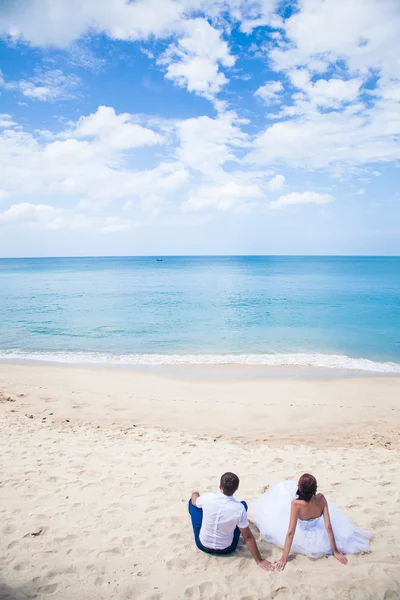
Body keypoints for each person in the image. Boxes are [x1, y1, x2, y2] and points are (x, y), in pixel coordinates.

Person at [251, 473, 373, 571]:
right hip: (318, 529)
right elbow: (328, 526)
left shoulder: (296, 504)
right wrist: (335, 551)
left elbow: (291, 532)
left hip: (302, 533)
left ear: (300, 488)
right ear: (315, 488)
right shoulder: (321, 498)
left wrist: (284, 558)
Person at [189, 472, 273, 570]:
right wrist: (259, 560)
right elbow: (248, 537)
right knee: (243, 505)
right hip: (227, 548)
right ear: (236, 489)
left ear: (220, 486)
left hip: (203, 545)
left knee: (193, 504)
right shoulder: (239, 508)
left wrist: (195, 493)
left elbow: (194, 500)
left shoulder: (208, 498)